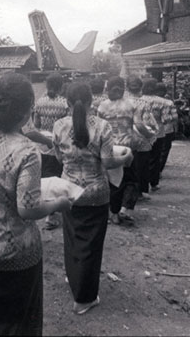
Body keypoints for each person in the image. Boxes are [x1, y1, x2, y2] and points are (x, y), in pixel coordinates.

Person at [0, 73, 72, 336]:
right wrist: (59, 203)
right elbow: (27, 209)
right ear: (27, 112)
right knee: (18, 323)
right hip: (17, 252)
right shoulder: (27, 151)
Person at [53, 82, 132, 315]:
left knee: (72, 238)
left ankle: (74, 279)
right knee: (91, 245)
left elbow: (59, 158)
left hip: (68, 190)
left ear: (67, 102)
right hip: (96, 193)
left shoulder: (58, 125)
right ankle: (84, 298)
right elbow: (108, 161)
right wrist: (126, 158)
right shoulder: (102, 127)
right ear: (91, 102)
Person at [97, 76, 138, 225]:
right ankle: (124, 210)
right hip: (127, 148)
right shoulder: (132, 105)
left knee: (112, 181)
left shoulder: (102, 106)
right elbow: (138, 126)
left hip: (108, 148)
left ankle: (111, 212)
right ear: (124, 87)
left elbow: (99, 128)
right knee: (130, 180)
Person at [33, 72, 70, 230]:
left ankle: (47, 208)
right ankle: (51, 215)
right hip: (59, 143)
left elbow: (36, 124)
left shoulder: (39, 102)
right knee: (56, 175)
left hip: (42, 143)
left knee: (45, 176)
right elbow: (67, 125)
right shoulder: (65, 103)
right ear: (61, 86)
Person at [156, 82, 177, 173]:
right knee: (164, 152)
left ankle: (152, 171)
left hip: (153, 130)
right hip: (167, 130)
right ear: (165, 92)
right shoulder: (169, 103)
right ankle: (159, 170)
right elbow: (175, 117)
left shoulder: (148, 101)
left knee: (154, 151)